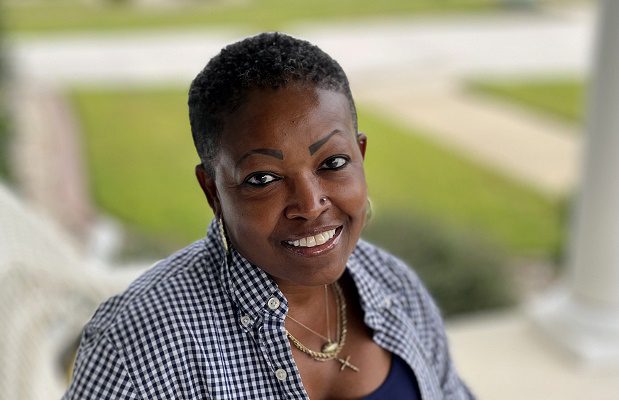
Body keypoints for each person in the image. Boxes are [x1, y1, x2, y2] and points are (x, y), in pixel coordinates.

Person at [64, 32, 474, 399]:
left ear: (360, 156)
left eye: (332, 163)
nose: (310, 204)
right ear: (213, 191)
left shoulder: (395, 287)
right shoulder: (139, 348)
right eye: (263, 178)